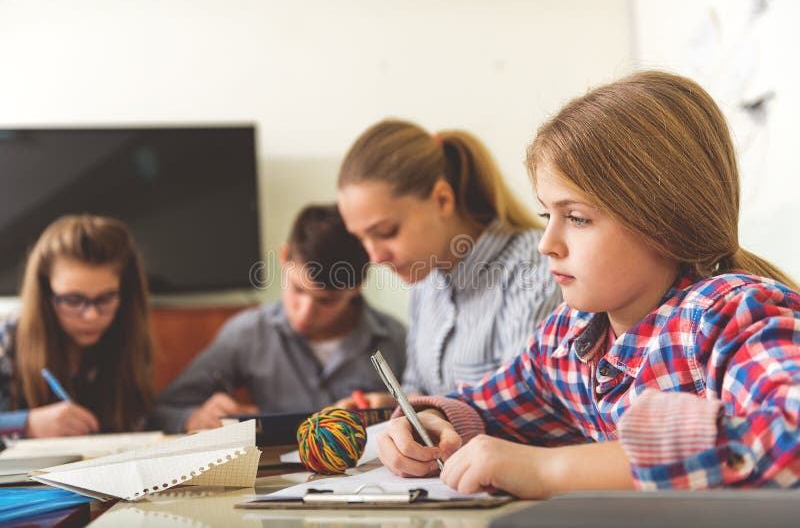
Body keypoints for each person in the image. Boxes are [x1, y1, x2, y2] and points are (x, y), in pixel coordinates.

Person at [376, 71, 800, 497]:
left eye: (577, 218)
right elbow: (488, 407)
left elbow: (791, 434)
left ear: (664, 221)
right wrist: (433, 425)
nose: (546, 244)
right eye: (547, 215)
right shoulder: (569, 336)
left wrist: (552, 470)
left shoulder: (727, 316)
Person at [336, 119, 560, 408]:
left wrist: (434, 415)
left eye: (385, 233)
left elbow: (525, 404)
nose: (375, 257)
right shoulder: (426, 275)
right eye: (362, 239)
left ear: (442, 200)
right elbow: (418, 385)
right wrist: (394, 407)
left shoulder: (534, 267)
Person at [152, 204, 406, 433]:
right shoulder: (248, 333)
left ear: (358, 286)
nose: (305, 312)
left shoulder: (397, 340)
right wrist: (194, 418)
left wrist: (395, 409)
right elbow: (161, 412)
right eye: (298, 289)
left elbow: (433, 412)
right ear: (283, 258)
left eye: (327, 301)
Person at [0, 215, 154, 437]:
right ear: (45, 295)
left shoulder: (126, 338)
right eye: (73, 300)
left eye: (106, 298)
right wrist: (27, 423)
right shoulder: (7, 341)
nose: (91, 316)